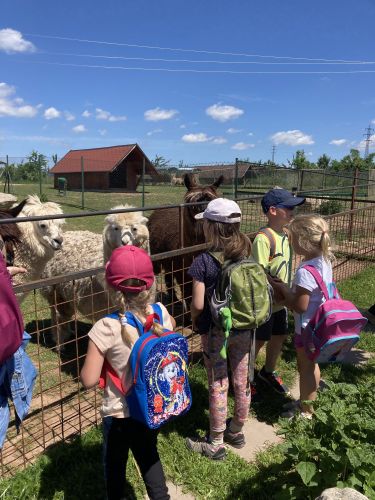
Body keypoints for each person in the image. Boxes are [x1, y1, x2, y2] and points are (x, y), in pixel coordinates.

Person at [80, 245, 174, 500]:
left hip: (119, 412)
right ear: (151, 282)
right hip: (152, 406)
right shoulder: (161, 313)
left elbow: (88, 380)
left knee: (115, 464)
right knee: (148, 455)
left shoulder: (105, 327)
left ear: (110, 286)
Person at [185, 198, 252, 460]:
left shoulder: (203, 260)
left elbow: (199, 303)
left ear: (211, 227)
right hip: (244, 327)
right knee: (242, 379)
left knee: (218, 382)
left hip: (217, 332)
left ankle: (215, 442)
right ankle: (237, 430)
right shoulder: (245, 249)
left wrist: (193, 318)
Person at [271, 214, 334, 418]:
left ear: (304, 242)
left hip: (307, 328)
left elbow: (300, 305)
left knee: (305, 368)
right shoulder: (324, 260)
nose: (290, 242)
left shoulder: (305, 271)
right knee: (311, 365)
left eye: (292, 239)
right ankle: (307, 400)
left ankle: (306, 412)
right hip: (320, 324)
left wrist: (283, 291)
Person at [251, 188, 305, 400]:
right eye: (288, 208)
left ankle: (268, 371)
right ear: (272, 210)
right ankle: (246, 378)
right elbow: (259, 271)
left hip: (281, 302)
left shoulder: (285, 236)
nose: (293, 211)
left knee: (279, 335)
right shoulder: (263, 239)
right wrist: (279, 290)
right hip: (267, 302)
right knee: (259, 340)